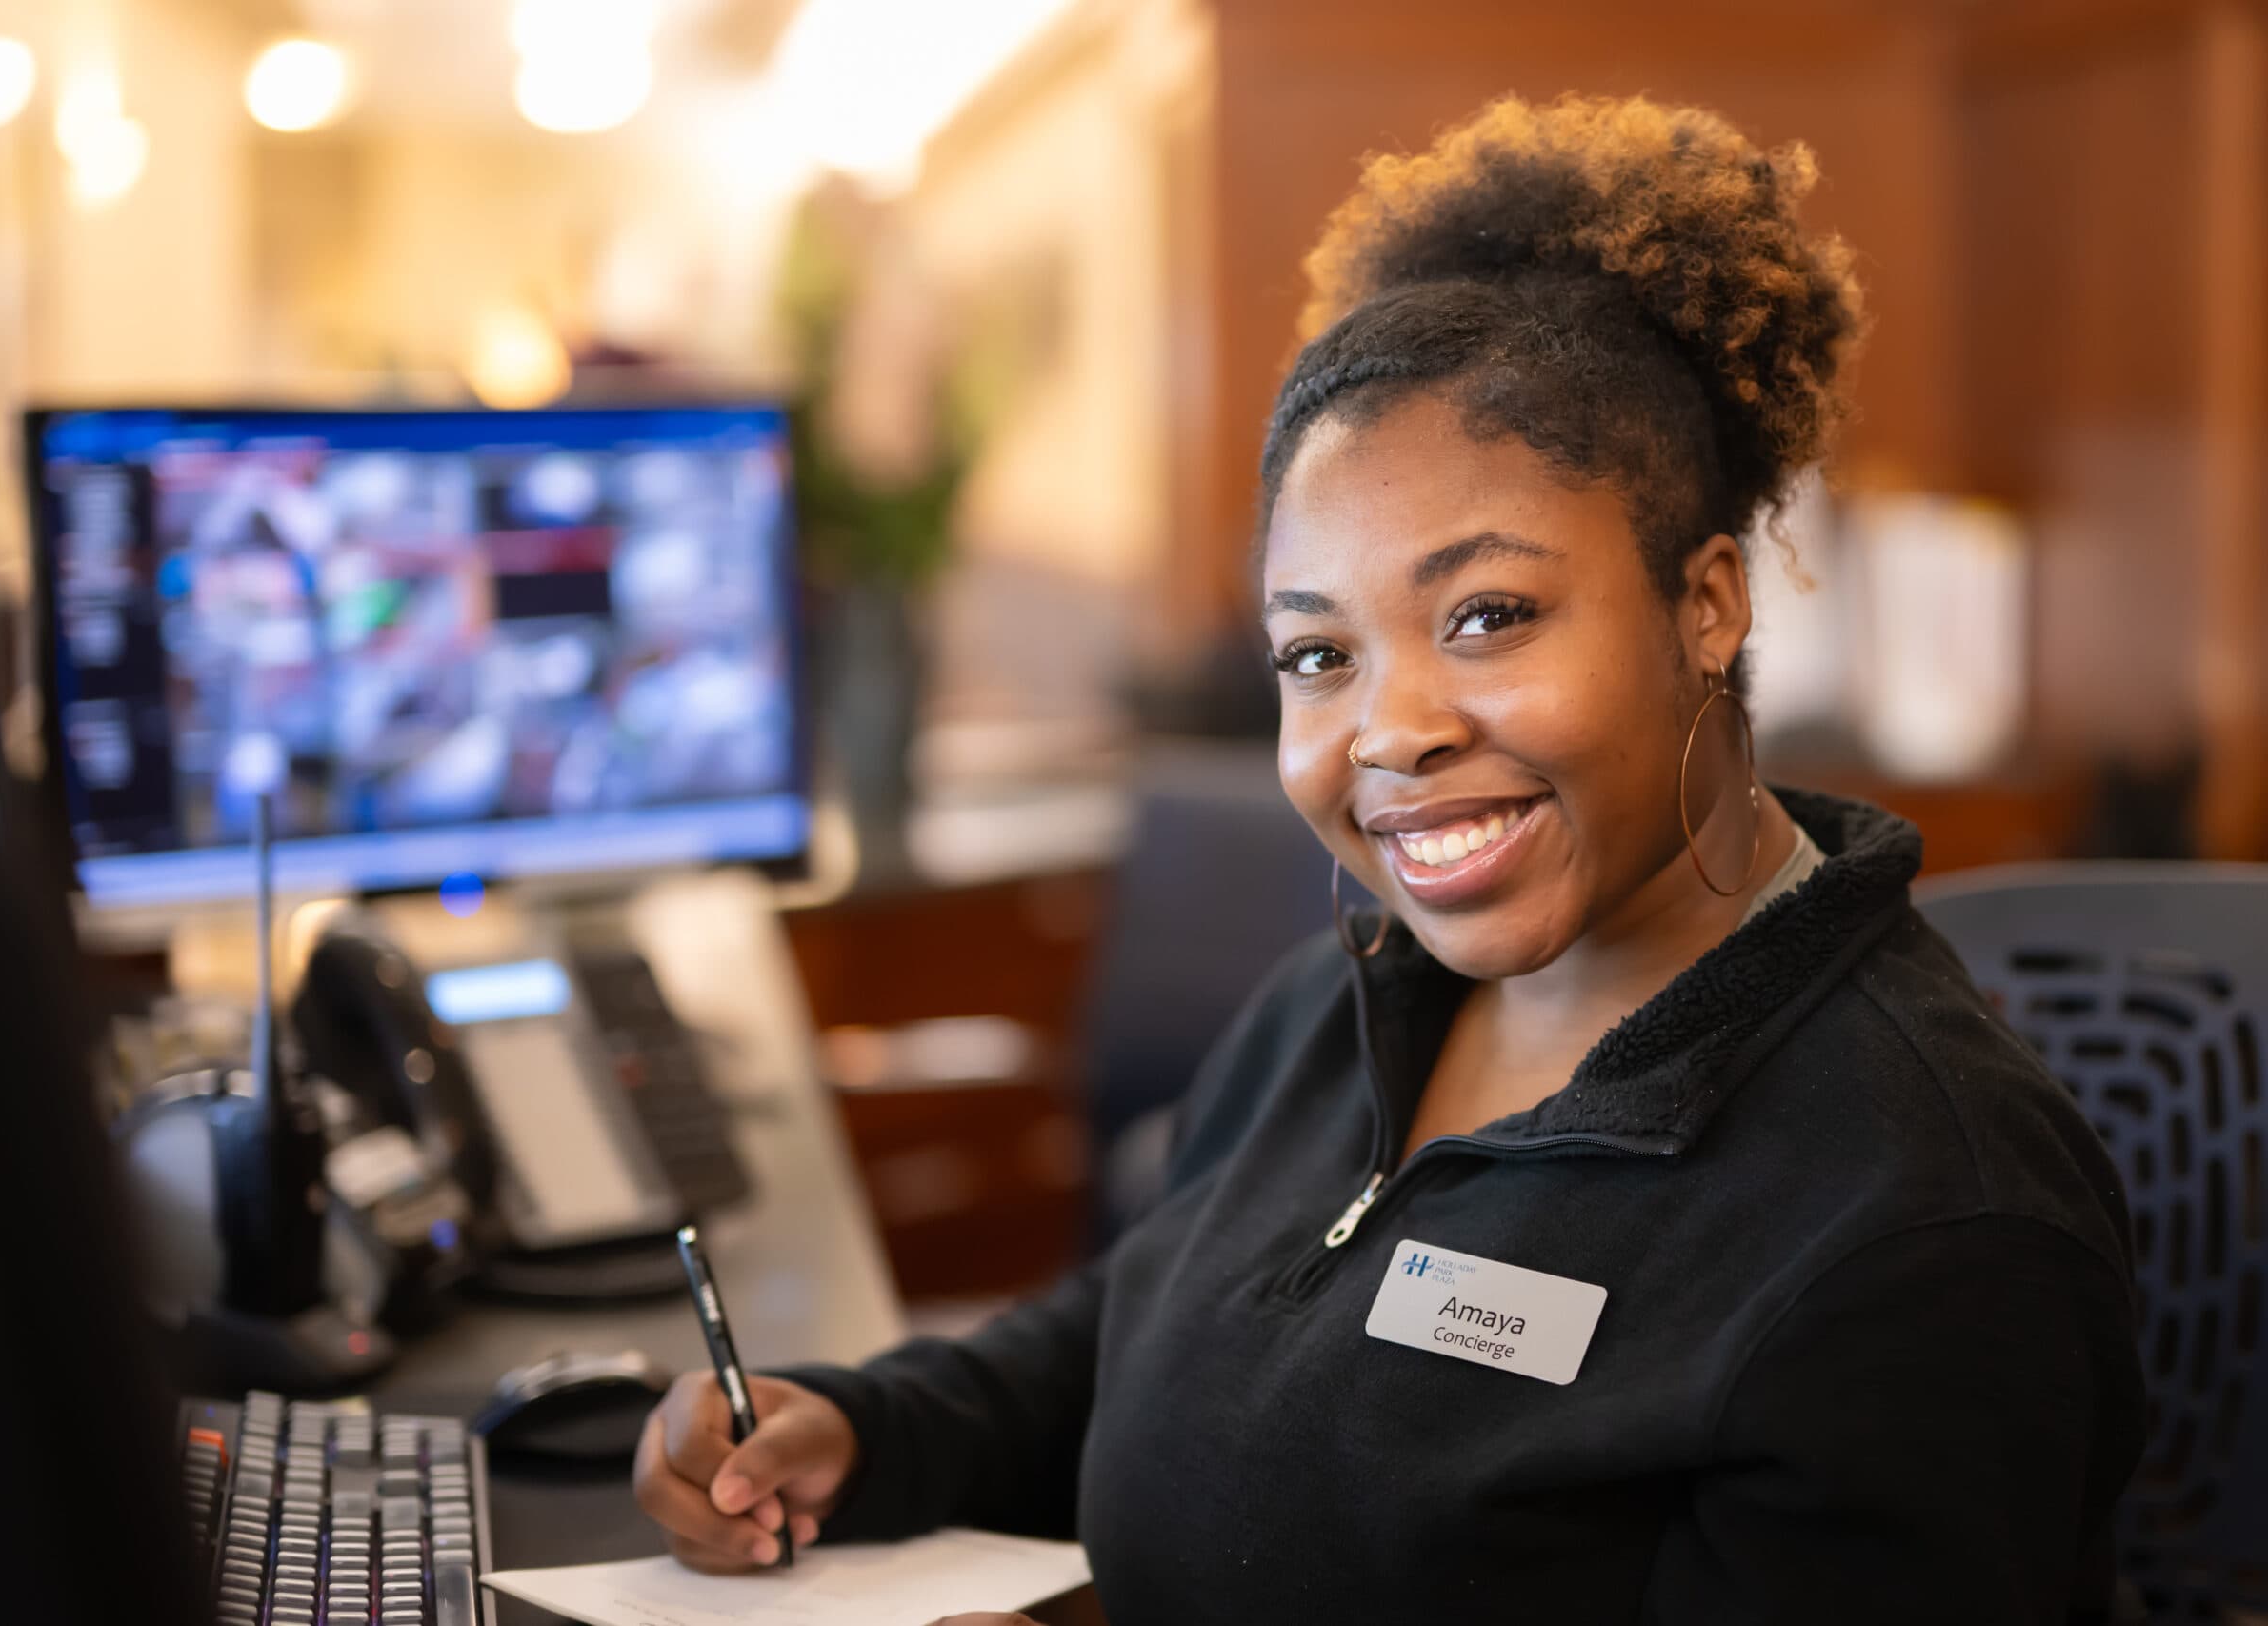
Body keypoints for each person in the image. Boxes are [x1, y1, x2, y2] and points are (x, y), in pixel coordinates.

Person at [632, 94, 2146, 1623]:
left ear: (1708, 603)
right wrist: (880, 1428)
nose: (1388, 731)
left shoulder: (1920, 1223)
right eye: (1317, 655)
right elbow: (1172, 1324)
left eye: (1487, 615)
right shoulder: (1351, 988)